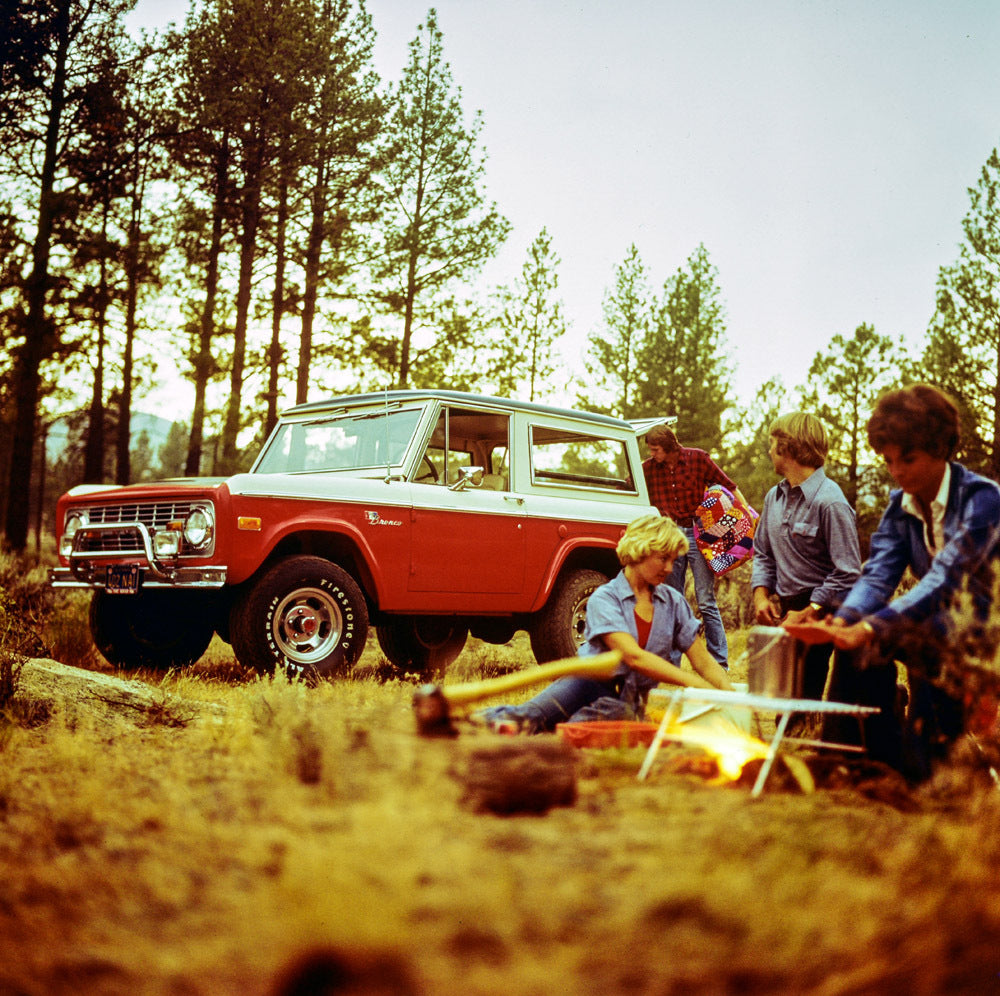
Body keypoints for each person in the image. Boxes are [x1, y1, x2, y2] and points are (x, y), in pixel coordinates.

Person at [825, 384, 1000, 780]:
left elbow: (946, 579)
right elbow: (878, 574)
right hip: (940, 625)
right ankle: (855, 763)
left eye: (908, 458)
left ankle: (927, 771)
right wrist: (845, 620)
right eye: (888, 461)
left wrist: (872, 625)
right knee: (855, 636)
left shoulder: (983, 500)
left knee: (926, 634)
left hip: (987, 631)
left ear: (940, 449)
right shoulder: (900, 506)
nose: (897, 471)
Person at [477, 514, 733, 733]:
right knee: (525, 719)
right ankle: (466, 723)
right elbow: (632, 657)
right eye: (663, 558)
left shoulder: (674, 602)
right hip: (584, 684)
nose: (669, 568)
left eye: (673, 561)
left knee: (577, 733)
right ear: (640, 551)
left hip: (627, 701)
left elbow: (703, 662)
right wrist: (693, 683)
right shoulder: (605, 598)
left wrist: (730, 694)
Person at [751, 412, 862, 701]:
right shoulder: (773, 497)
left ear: (786, 447)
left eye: (772, 443)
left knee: (803, 700)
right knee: (780, 697)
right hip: (788, 608)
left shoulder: (831, 502)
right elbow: (763, 552)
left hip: (823, 609)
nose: (769, 450)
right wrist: (761, 596)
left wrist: (810, 610)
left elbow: (848, 572)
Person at [642, 424, 744, 669]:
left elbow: (729, 486)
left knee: (706, 599)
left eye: (655, 449)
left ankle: (719, 663)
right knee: (671, 600)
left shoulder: (697, 458)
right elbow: (627, 488)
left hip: (700, 535)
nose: (652, 454)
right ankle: (671, 664)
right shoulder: (648, 469)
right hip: (669, 536)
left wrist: (748, 515)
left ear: (668, 446)